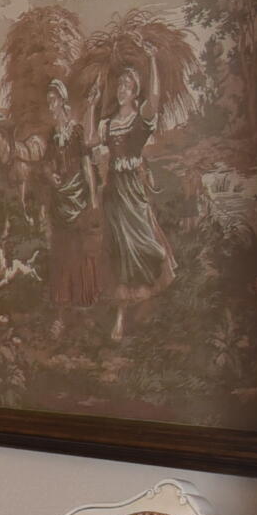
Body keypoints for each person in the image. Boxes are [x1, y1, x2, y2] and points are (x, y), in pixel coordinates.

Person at [97, 62, 177, 341]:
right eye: (120, 85)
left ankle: (148, 294)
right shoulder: (108, 124)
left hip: (133, 189)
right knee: (121, 249)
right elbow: (90, 140)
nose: (122, 90)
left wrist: (153, 60)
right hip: (114, 192)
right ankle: (120, 317)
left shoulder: (140, 120)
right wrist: (91, 104)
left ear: (135, 92)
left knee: (144, 244)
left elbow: (154, 98)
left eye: (128, 86)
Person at [42, 77, 107, 334]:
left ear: (62, 101)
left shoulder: (77, 131)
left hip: (78, 199)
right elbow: (47, 164)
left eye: (53, 101)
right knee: (61, 255)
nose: (50, 106)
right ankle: (60, 314)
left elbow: (86, 165)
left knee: (81, 254)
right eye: (48, 102)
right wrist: (51, 175)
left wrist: (92, 197)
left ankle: (84, 309)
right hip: (60, 202)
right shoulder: (52, 135)